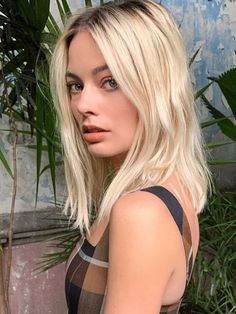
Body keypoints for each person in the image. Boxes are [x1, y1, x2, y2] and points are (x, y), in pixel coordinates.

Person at [50, 0, 211, 313]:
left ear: (156, 88)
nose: (83, 104)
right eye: (75, 85)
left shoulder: (141, 212)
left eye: (110, 81)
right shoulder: (168, 192)